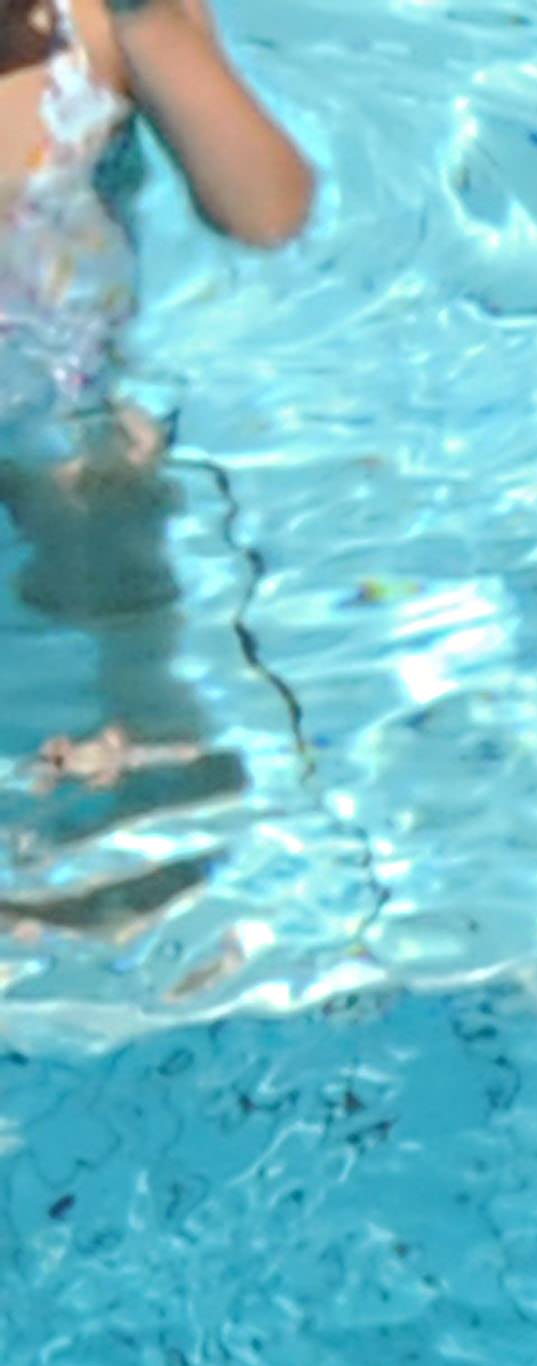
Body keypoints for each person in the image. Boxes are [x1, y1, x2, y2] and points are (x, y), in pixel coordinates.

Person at [0, 0, 313, 923]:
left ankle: (141, 726)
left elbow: (268, 213)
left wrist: (152, 31)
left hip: (56, 391)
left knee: (103, 485)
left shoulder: (103, 24)